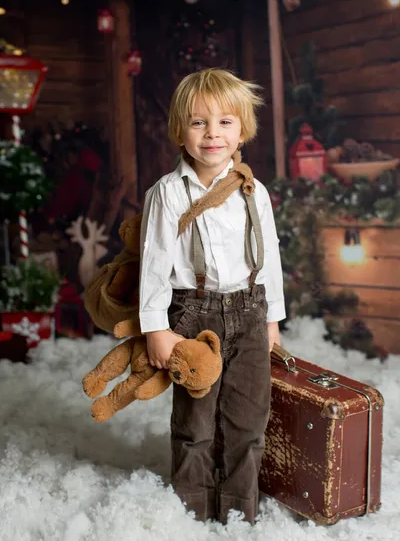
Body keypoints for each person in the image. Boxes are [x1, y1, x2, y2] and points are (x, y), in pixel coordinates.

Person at [139, 69, 286, 524]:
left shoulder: (252, 191)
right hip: (193, 315)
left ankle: (241, 511)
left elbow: (270, 258)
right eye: (199, 122)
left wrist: (272, 321)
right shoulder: (167, 193)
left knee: (248, 420)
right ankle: (192, 509)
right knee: (196, 422)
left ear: (242, 129)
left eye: (225, 121)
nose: (212, 134)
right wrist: (157, 328)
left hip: (249, 309)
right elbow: (155, 260)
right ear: (180, 130)